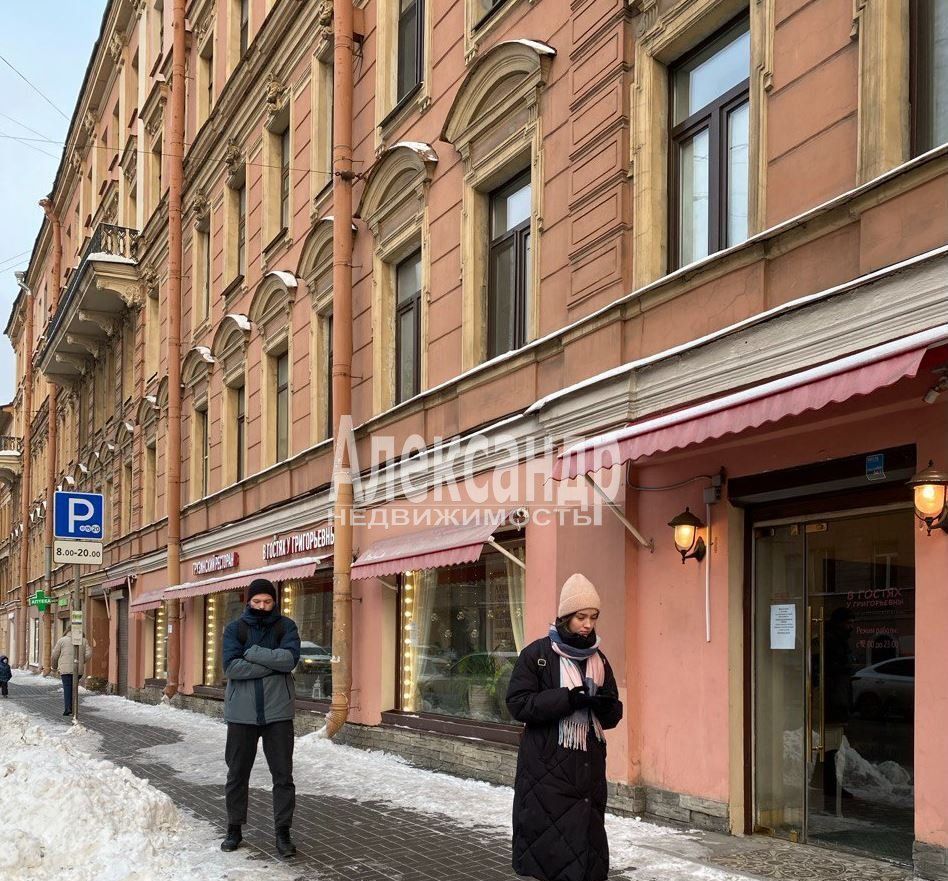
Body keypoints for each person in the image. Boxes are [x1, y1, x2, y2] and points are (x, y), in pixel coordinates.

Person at [506, 574, 623, 881]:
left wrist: (605, 706)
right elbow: (518, 704)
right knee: (553, 854)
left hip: (588, 772)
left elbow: (611, 716)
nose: (587, 624)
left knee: (586, 856)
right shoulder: (537, 655)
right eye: (581, 617)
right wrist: (567, 699)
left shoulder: (599, 659)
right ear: (565, 617)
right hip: (547, 771)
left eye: (593, 617)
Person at [220, 578, 301, 858]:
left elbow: (289, 661)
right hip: (241, 714)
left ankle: (283, 833)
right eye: (257, 602)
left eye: (267, 602)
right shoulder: (234, 629)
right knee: (237, 774)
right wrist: (271, 664)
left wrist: (253, 654)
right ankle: (234, 829)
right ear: (249, 601)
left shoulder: (286, 626)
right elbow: (232, 667)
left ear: (274, 602)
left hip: (278, 712)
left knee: (283, 776)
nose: (263, 607)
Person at [51, 628, 92, 716]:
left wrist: (54, 667)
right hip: (78, 670)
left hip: (65, 670)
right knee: (74, 688)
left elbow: (54, 655)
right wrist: (81, 661)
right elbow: (89, 653)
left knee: (67, 687)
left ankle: (68, 708)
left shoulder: (61, 640)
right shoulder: (83, 641)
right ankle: (74, 708)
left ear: (67, 632)